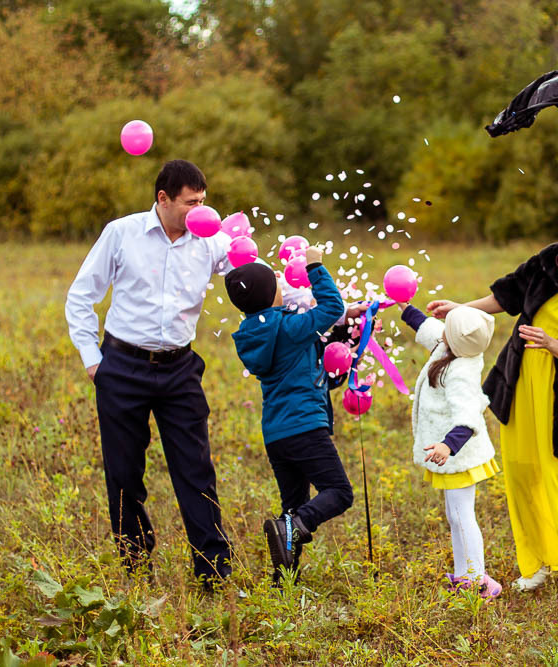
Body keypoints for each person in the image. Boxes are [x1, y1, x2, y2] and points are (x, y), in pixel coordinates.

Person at [427, 204, 558, 593]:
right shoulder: (556, 260)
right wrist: (460, 310)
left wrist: (550, 343)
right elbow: (507, 295)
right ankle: (542, 560)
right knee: (524, 473)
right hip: (520, 382)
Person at [64, 159, 232, 587]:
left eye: (203, 201)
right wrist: (92, 358)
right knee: (123, 473)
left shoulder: (211, 240)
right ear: (163, 199)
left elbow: (255, 282)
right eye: (191, 202)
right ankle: (136, 568)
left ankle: (214, 572)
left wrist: (321, 301)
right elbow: (81, 295)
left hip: (180, 368)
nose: (200, 211)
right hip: (122, 366)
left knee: (196, 470)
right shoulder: (122, 233)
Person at [225, 247, 354, 583]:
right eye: (277, 284)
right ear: (271, 296)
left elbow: (307, 362)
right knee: (339, 492)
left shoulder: (253, 334)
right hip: (305, 427)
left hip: (276, 434)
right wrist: (315, 266)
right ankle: (294, 526)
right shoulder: (290, 328)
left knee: (293, 505)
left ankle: (284, 581)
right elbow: (332, 307)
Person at [399, 302, 502, 599]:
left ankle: (477, 580)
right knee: (455, 515)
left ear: (453, 339)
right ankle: (464, 575)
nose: (442, 331)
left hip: (458, 456)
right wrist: (405, 306)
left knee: (461, 515)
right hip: (451, 456)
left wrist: (448, 445)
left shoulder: (460, 372)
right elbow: (428, 328)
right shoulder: (453, 346)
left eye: (448, 329)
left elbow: (468, 418)